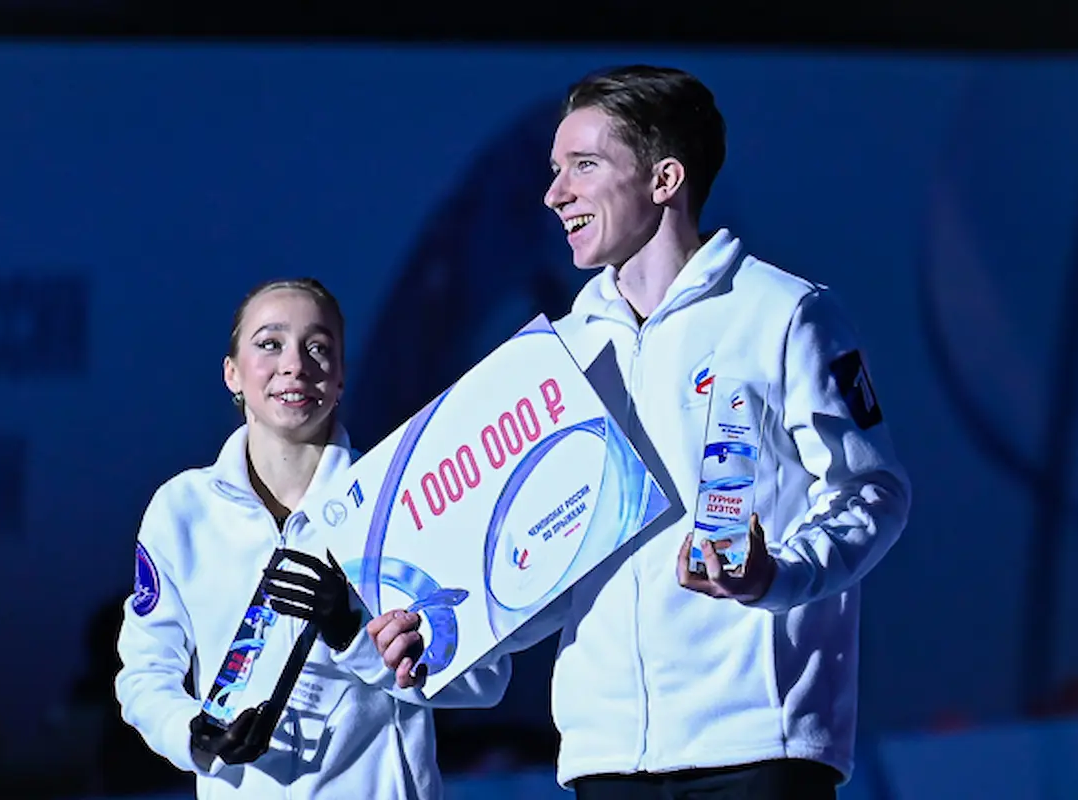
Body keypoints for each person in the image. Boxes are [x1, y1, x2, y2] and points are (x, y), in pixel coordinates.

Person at [380, 64, 913, 798]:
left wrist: (774, 576)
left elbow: (871, 493)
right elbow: (535, 570)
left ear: (664, 179)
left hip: (757, 747)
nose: (554, 192)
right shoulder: (555, 357)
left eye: (583, 166)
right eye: (553, 169)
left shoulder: (782, 313)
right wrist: (441, 646)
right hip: (606, 759)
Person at [114, 277, 511, 799]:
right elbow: (145, 674)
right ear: (231, 373)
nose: (295, 365)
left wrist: (355, 634)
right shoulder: (183, 511)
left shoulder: (398, 500)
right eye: (270, 344)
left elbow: (485, 681)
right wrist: (194, 735)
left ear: (341, 376)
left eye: (318, 347)